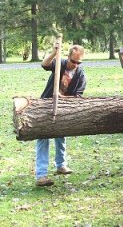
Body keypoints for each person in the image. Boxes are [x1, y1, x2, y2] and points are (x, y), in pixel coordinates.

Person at [36, 44, 87, 186]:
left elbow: (78, 98)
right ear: (68, 57)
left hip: (64, 110)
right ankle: (41, 175)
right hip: (46, 105)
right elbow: (44, 64)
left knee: (60, 136)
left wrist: (62, 98)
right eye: (73, 61)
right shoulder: (61, 63)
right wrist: (54, 52)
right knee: (42, 137)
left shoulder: (80, 75)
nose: (75, 65)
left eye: (79, 62)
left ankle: (61, 165)